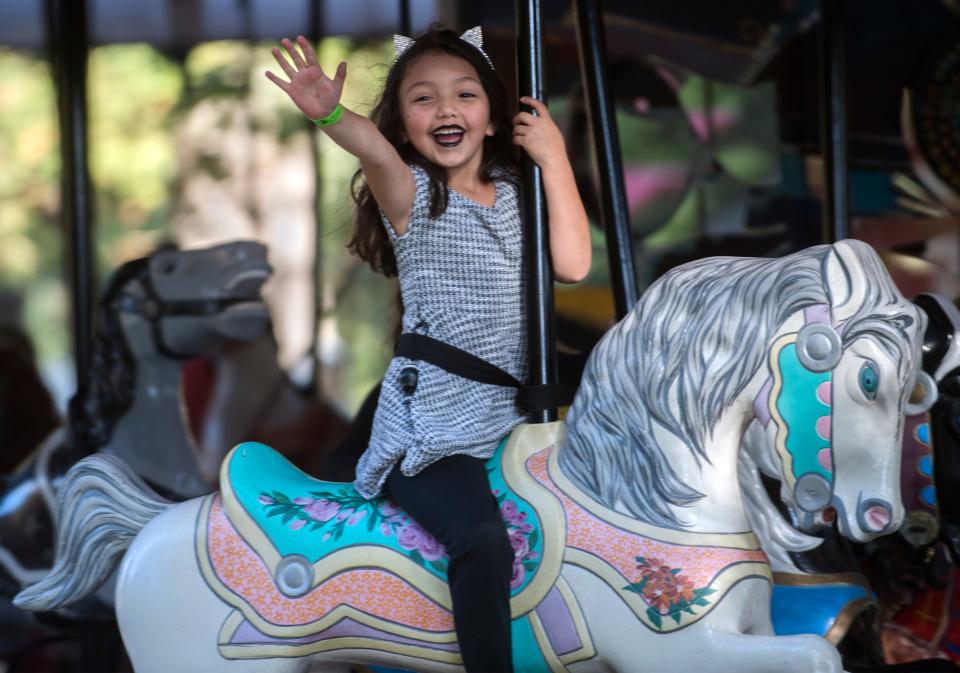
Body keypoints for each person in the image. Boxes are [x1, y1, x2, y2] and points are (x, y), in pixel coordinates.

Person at [266, 25, 590, 673]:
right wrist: (329, 112)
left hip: (513, 415)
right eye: (424, 98)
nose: (445, 109)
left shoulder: (521, 200)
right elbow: (370, 149)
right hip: (435, 426)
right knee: (480, 537)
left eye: (465, 94)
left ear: (495, 118)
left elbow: (575, 264)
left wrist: (554, 160)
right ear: (404, 124)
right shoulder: (414, 193)